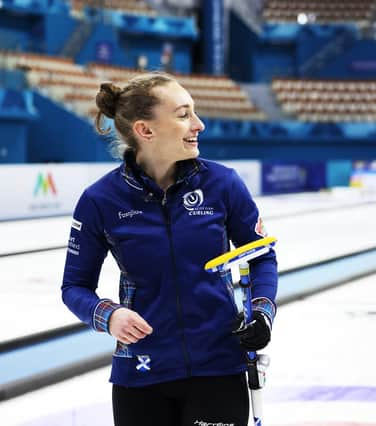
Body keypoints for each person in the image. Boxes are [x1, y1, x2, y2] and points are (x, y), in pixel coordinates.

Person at [61, 72, 277, 426]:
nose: (199, 124)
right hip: (141, 376)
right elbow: (74, 287)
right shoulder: (100, 200)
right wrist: (109, 316)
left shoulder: (222, 184)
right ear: (146, 130)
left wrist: (262, 313)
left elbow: (262, 257)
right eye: (183, 114)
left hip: (218, 369)